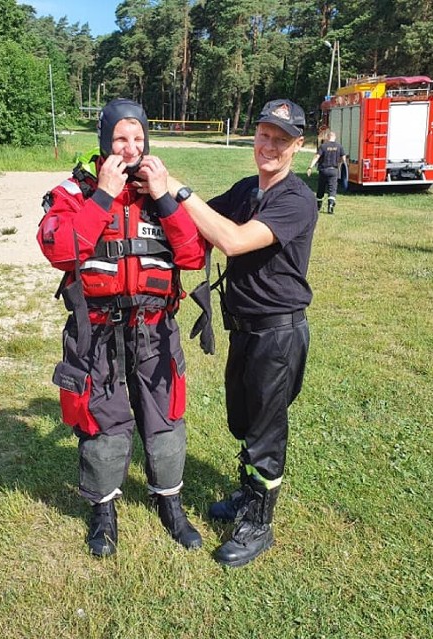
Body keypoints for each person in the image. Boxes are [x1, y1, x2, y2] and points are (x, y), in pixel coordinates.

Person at [37, 98, 208, 557]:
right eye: (120, 139)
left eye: (137, 139)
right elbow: (60, 250)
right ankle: (103, 511)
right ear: (103, 142)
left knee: (165, 418)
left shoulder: (162, 192)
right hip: (97, 333)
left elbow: (193, 257)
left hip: (155, 330)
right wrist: (104, 196)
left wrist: (164, 197)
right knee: (103, 423)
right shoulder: (75, 192)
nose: (130, 148)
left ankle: (169, 503)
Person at [164, 99, 318, 567]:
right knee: (245, 422)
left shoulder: (296, 198)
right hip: (245, 329)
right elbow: (197, 225)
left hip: (278, 335)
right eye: (264, 135)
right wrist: (152, 196)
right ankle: (247, 492)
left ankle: (258, 523)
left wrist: (179, 187)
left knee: (266, 434)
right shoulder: (247, 189)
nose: (269, 145)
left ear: (298, 146)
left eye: (281, 138)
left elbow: (231, 239)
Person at [307, 130, 346, 214]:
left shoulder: (323, 146)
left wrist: (310, 167)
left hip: (324, 170)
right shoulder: (339, 146)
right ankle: (331, 206)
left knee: (321, 188)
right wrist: (340, 165)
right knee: (332, 189)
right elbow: (343, 158)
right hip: (333, 170)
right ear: (334, 137)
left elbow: (317, 157)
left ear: (327, 137)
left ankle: (318, 206)